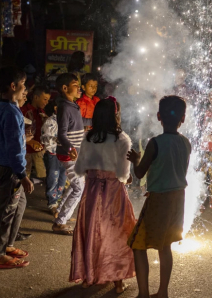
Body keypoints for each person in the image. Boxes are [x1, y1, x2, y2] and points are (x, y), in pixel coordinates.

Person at [127, 96, 192, 298]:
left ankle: (143, 293)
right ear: (183, 117)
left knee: (138, 244)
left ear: (158, 117)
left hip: (159, 200)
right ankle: (162, 292)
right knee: (165, 245)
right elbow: (178, 171)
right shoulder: (185, 142)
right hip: (178, 198)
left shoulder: (155, 143)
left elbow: (139, 174)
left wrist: (136, 160)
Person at [69, 98, 136, 293]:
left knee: (91, 231)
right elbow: (123, 173)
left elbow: (80, 168)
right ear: (116, 115)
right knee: (116, 233)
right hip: (113, 192)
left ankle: (89, 276)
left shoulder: (88, 137)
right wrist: (127, 178)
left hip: (91, 191)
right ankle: (117, 281)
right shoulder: (121, 139)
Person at [0, 66, 34, 269]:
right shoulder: (12, 113)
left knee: (18, 205)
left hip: (1, 163)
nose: (25, 90)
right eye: (23, 85)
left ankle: (7, 245)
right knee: (6, 211)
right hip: (11, 169)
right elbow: (14, 147)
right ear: (13, 86)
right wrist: (22, 175)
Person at [52, 73, 85, 234]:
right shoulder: (65, 107)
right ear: (65, 88)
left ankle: (60, 212)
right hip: (68, 154)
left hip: (73, 153)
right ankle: (60, 222)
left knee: (76, 185)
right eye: (75, 85)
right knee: (79, 188)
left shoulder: (72, 105)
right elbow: (62, 134)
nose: (79, 88)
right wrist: (71, 149)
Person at [20, 85, 50, 180]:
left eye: (48, 100)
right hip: (26, 149)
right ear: (36, 97)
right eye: (45, 99)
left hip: (38, 148)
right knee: (25, 174)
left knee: (43, 174)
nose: (46, 102)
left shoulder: (42, 112)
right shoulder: (24, 110)